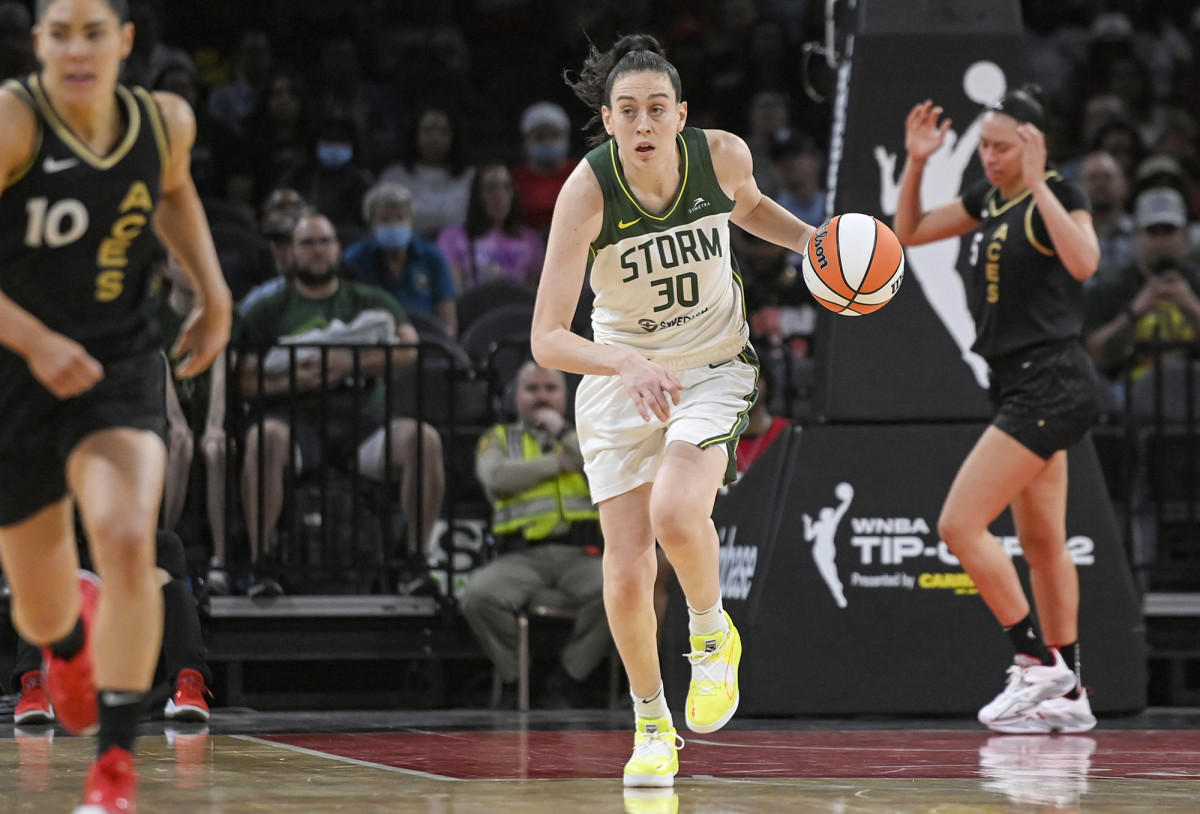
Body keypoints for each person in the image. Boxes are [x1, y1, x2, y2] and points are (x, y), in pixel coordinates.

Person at [530, 34, 819, 788]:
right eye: (629, 111)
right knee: (626, 575)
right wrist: (624, 360)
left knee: (678, 512)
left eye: (658, 107)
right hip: (622, 377)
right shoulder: (587, 193)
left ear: (681, 114)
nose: (645, 122)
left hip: (712, 367)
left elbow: (751, 208)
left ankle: (709, 631)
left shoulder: (721, 157)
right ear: (609, 120)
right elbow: (547, 339)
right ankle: (652, 723)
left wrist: (814, 244)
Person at [0, 1, 231, 812]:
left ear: (124, 42)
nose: (75, 48)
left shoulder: (164, 120)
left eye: (93, 31)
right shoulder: (13, 124)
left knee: (132, 537)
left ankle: (114, 771)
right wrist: (32, 342)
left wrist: (213, 290)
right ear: (37, 44)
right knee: (37, 600)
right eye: (58, 32)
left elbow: (172, 190)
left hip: (118, 358)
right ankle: (66, 645)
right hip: (16, 375)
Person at [893, 86, 1101, 735]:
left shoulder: (1057, 195)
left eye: (1003, 147)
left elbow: (1086, 262)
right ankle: (1070, 693)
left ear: (1034, 146)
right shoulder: (991, 196)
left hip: (1051, 380)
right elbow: (912, 232)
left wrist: (1038, 183)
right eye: (984, 145)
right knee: (1042, 544)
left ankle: (1033, 660)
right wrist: (918, 161)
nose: (990, 156)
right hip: (1018, 383)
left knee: (958, 524)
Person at [237, 212, 444, 597]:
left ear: (338, 248)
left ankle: (416, 562)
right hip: (295, 417)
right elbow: (247, 381)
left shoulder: (369, 300)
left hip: (362, 420)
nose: (317, 251)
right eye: (307, 243)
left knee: (424, 440)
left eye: (325, 241)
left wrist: (347, 364)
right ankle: (261, 563)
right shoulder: (268, 309)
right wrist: (295, 380)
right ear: (290, 253)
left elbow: (407, 348)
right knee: (264, 440)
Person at [461, 361, 608, 709]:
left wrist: (564, 434)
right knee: (477, 596)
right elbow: (496, 477)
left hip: (582, 554)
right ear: (516, 397)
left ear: (565, 396)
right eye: (532, 389)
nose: (541, 396)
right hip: (521, 557)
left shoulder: (586, 436)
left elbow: (603, 468)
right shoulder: (498, 439)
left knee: (622, 590)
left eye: (550, 388)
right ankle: (519, 677)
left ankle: (568, 678)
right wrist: (555, 464)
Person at [11, 529, 214, 726]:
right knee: (37, 593)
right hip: (74, 663)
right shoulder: (63, 543)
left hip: (136, 664)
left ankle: (188, 684)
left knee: (176, 590)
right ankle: (35, 687)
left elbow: (152, 591)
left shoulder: (162, 543)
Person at [1084, 186, 1200, 395]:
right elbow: (1092, 358)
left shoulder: (1197, 281)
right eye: (1152, 232)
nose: (1161, 241)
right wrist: (1135, 311)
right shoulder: (1112, 287)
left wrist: (1191, 305)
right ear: (1137, 235)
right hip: (1126, 397)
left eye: (1169, 231)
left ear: (1184, 235)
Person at [343, 181, 459, 335]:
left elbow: (447, 317)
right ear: (371, 224)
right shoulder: (354, 259)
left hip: (428, 342)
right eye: (385, 219)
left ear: (411, 221)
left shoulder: (432, 256)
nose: (393, 225)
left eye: (400, 218)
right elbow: (345, 313)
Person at [436, 161, 545, 292]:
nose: (500, 196)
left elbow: (537, 295)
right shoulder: (452, 237)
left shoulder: (531, 239)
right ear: (477, 195)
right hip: (476, 308)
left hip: (519, 308)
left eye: (506, 187)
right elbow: (455, 295)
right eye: (491, 188)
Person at [511, 101, 575, 235]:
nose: (548, 142)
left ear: (566, 138)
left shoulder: (583, 171)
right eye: (539, 137)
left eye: (554, 135)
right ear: (526, 141)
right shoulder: (514, 179)